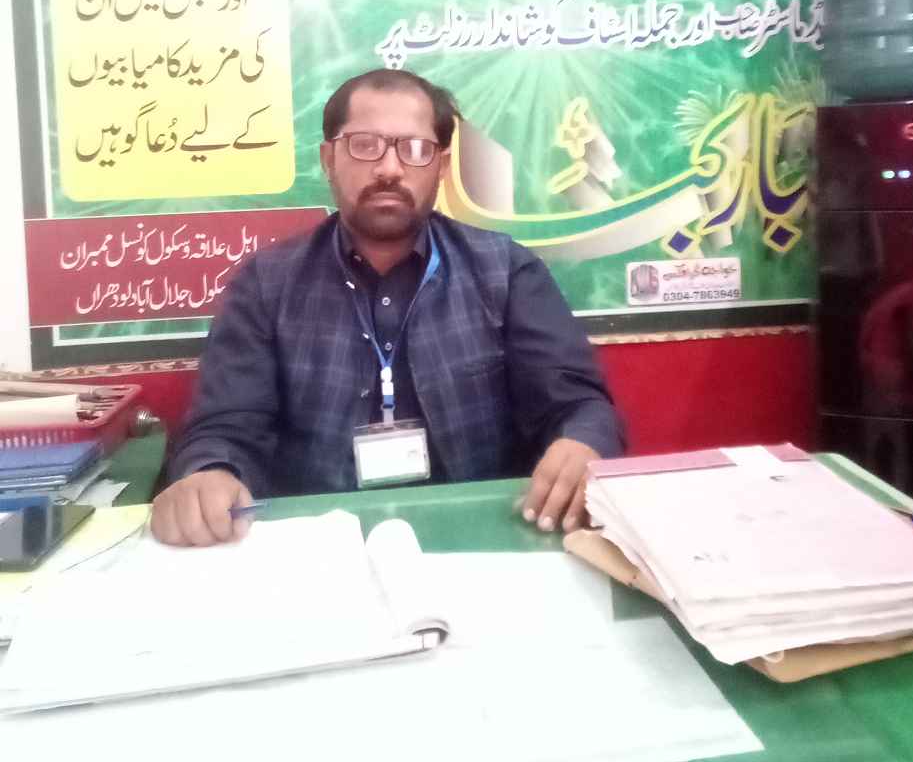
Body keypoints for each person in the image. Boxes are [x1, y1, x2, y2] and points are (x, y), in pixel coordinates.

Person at [151, 68, 625, 546]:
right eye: (364, 145)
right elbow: (226, 426)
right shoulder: (266, 284)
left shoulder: (505, 271)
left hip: (480, 542)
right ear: (329, 159)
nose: (390, 169)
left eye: (415, 149)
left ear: (441, 166)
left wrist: (583, 441)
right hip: (319, 549)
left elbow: (577, 404)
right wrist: (211, 472)